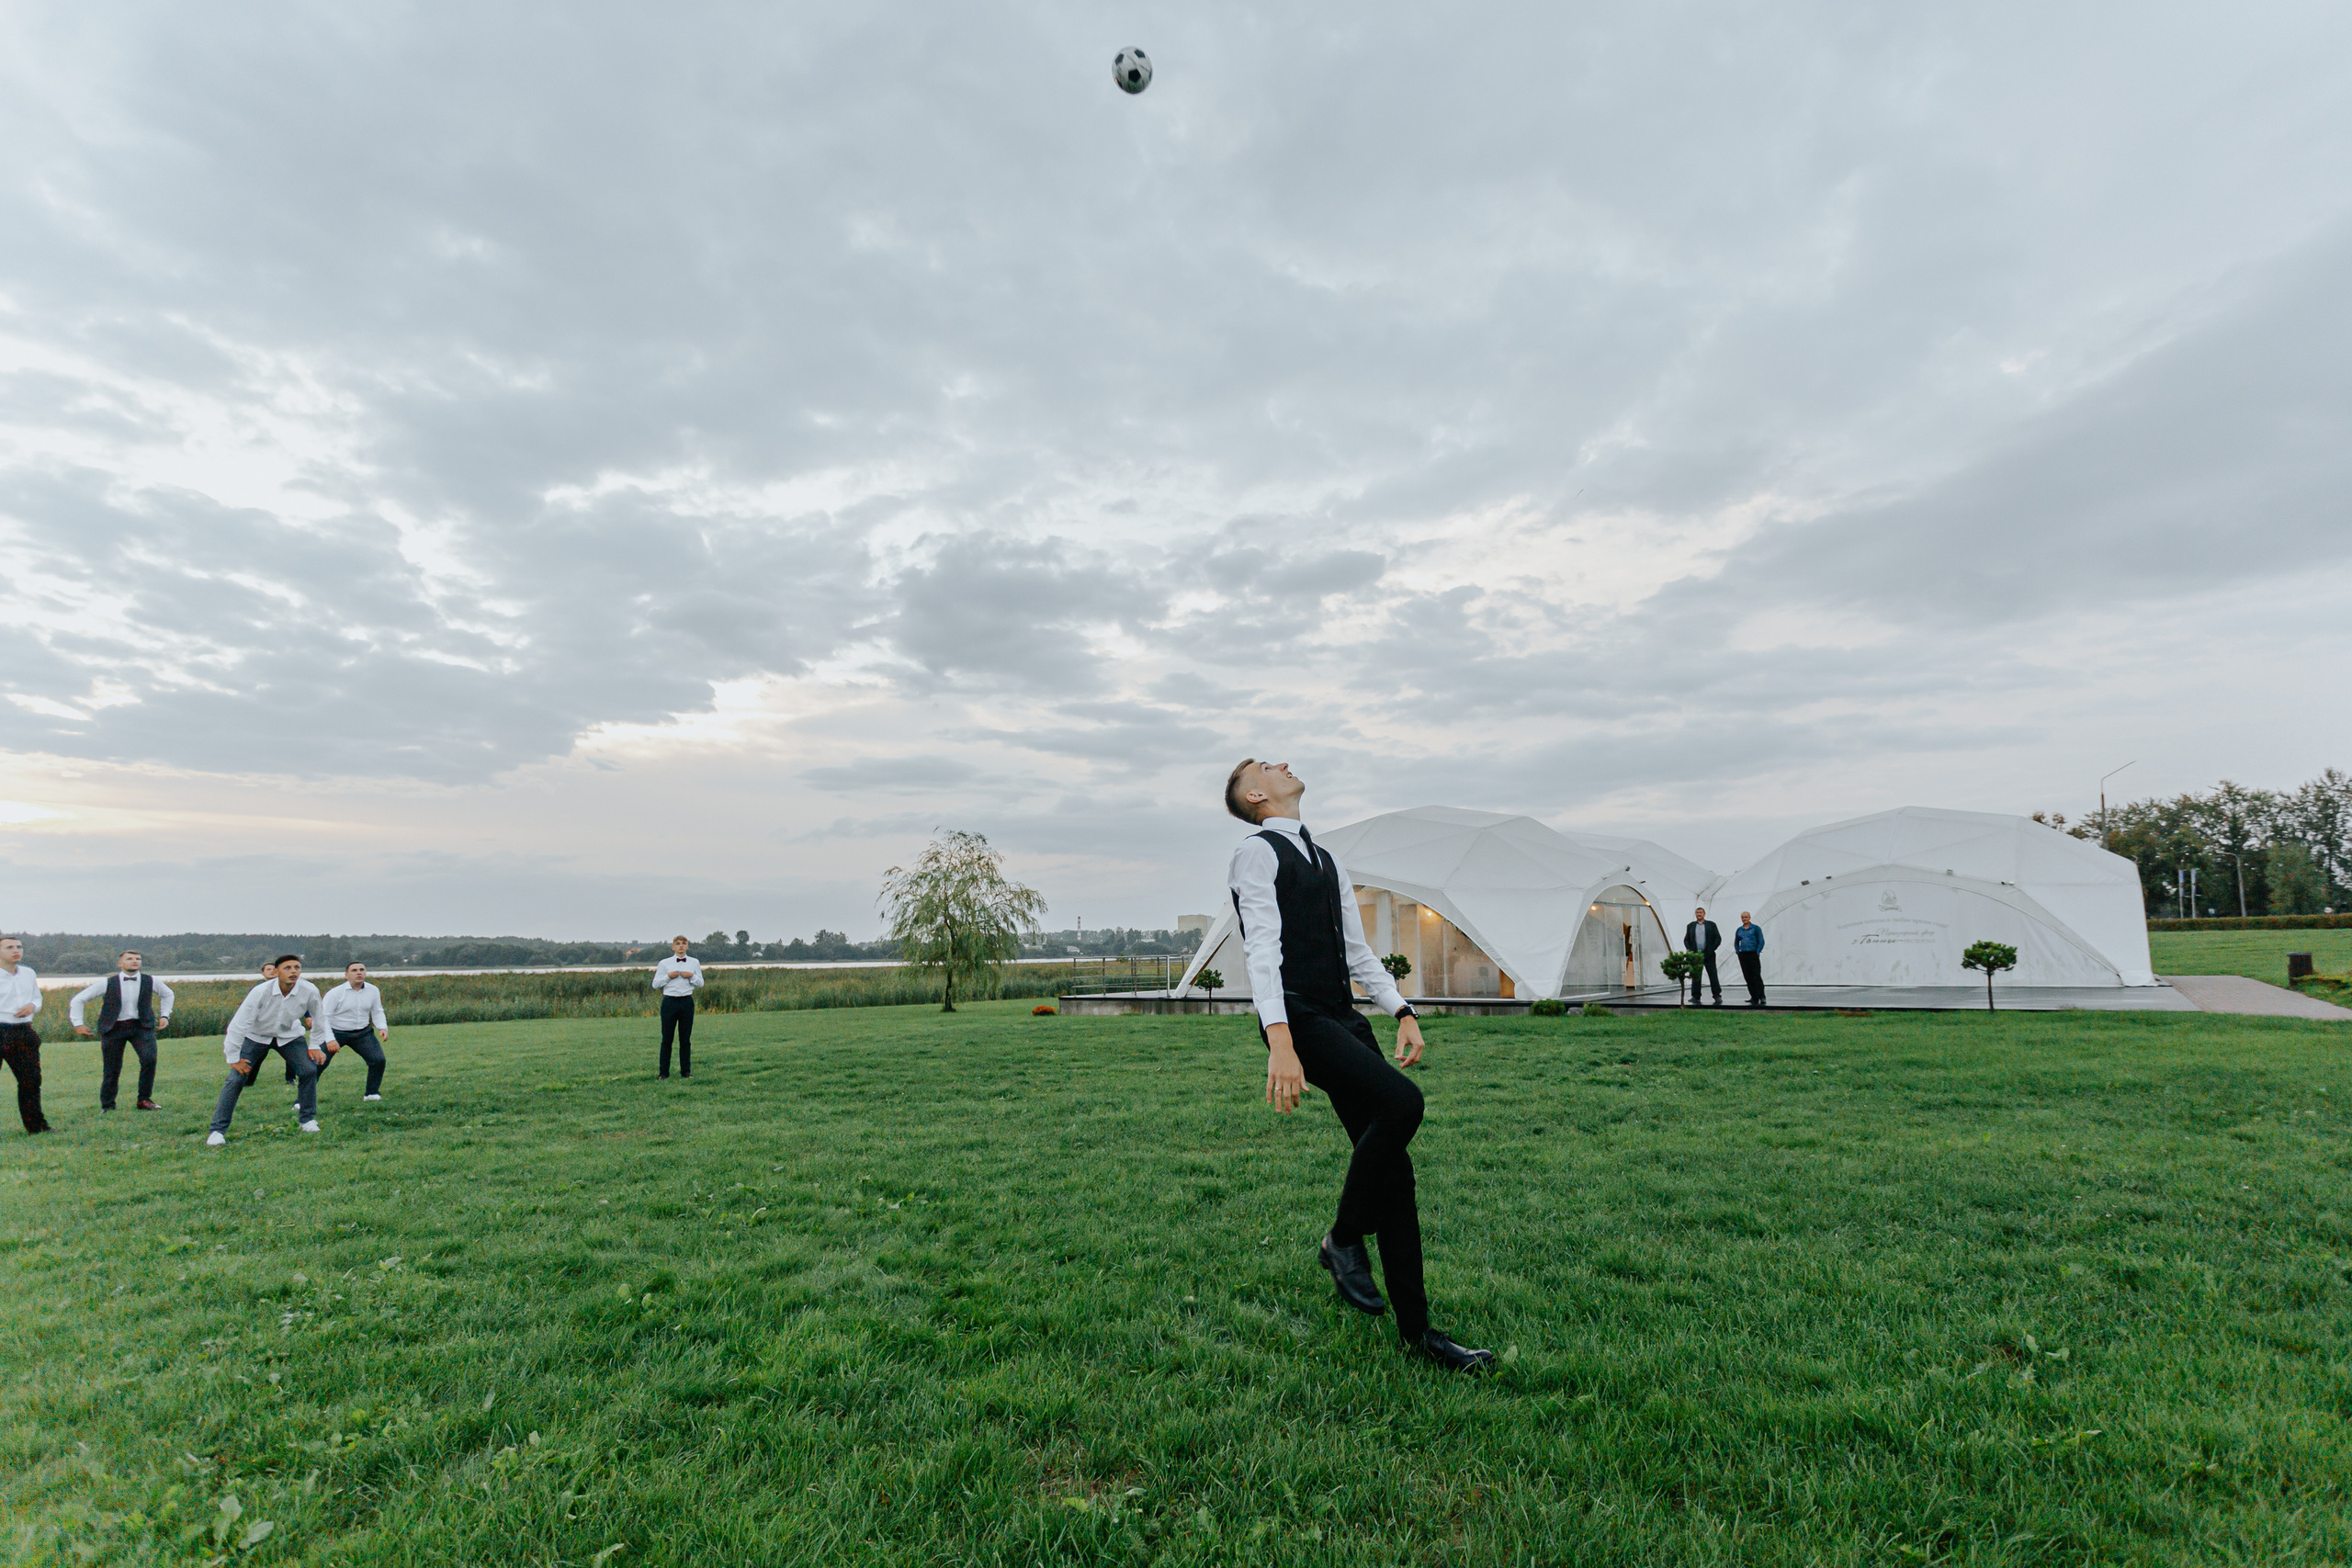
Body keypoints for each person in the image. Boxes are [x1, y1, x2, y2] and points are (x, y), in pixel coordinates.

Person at [1223, 758, 1493, 1373]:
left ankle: (1419, 1332)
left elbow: (1356, 952)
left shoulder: (1327, 859)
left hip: (1342, 1018)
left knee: (1395, 1174)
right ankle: (1343, 1238)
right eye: (1267, 765)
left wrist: (1402, 1008)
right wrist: (1280, 1041)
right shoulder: (1255, 853)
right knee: (1404, 1103)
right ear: (1258, 795)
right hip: (1299, 1019)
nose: (1284, 763)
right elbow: (1262, 949)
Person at [208, 955, 329, 1145]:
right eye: (287, 968)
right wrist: (233, 1057)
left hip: (289, 1036)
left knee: (308, 1070)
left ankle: (307, 1120)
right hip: (256, 1036)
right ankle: (217, 1132)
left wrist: (314, 1045)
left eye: (297, 967)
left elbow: (320, 1018)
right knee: (236, 1078)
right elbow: (239, 1025)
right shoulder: (260, 992)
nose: (293, 971)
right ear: (276, 971)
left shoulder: (309, 990)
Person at [70, 950, 175, 1111]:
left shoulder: (151, 981)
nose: (135, 961)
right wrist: (78, 1023)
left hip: (141, 1027)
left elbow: (168, 994)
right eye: (130, 958)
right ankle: (108, 1105)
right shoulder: (107, 983)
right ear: (120, 963)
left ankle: (144, 1100)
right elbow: (79, 999)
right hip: (114, 1028)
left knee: (149, 1060)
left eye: (138, 959)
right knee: (112, 1068)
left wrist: (165, 1015)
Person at [315, 962, 390, 1100]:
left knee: (378, 1060)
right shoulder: (335, 993)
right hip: (336, 1032)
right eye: (354, 970)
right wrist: (330, 1039)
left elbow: (377, 1011)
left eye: (362, 970)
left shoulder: (373, 990)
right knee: (318, 1064)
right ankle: (302, 1100)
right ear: (346, 975)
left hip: (362, 1033)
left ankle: (371, 1093)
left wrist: (382, 1027)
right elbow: (323, 1017)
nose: (359, 973)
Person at [0, 936, 51, 1134]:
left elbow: (37, 997)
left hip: (23, 1032)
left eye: (19, 947)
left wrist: (32, 1006)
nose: (16, 950)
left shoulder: (28, 973)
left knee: (31, 1080)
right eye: (10, 947)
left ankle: (36, 1127)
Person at [651, 936, 703, 1078]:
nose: (681, 946)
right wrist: (668, 976)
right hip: (669, 1002)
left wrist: (691, 976)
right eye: (678, 944)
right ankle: (663, 1073)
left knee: (685, 1039)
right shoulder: (664, 963)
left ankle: (686, 1072)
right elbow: (655, 984)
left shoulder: (694, 962)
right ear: (673, 947)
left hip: (686, 1002)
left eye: (683, 944)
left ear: (687, 947)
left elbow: (700, 983)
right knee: (667, 1039)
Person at [1683, 907, 1724, 1007]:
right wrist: (1690, 950)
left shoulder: (1711, 925)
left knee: (1713, 975)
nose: (1699, 914)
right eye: (1697, 913)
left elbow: (1717, 938)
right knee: (1696, 976)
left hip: (1709, 955)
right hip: (1696, 955)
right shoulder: (1691, 926)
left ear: (1704, 914)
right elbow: (1686, 940)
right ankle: (1696, 996)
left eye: (1700, 912)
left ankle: (1717, 995)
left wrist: (1712, 949)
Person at [1733, 911, 1766, 1008]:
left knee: (1756, 975)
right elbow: (1736, 942)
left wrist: (1758, 952)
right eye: (1742, 917)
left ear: (1749, 917)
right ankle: (1753, 996)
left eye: (1746, 917)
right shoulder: (1739, 930)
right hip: (1743, 955)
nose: (1744, 919)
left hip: (1753, 954)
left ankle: (1761, 995)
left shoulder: (1755, 928)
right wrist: (1738, 951)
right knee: (1748, 976)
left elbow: (1761, 941)